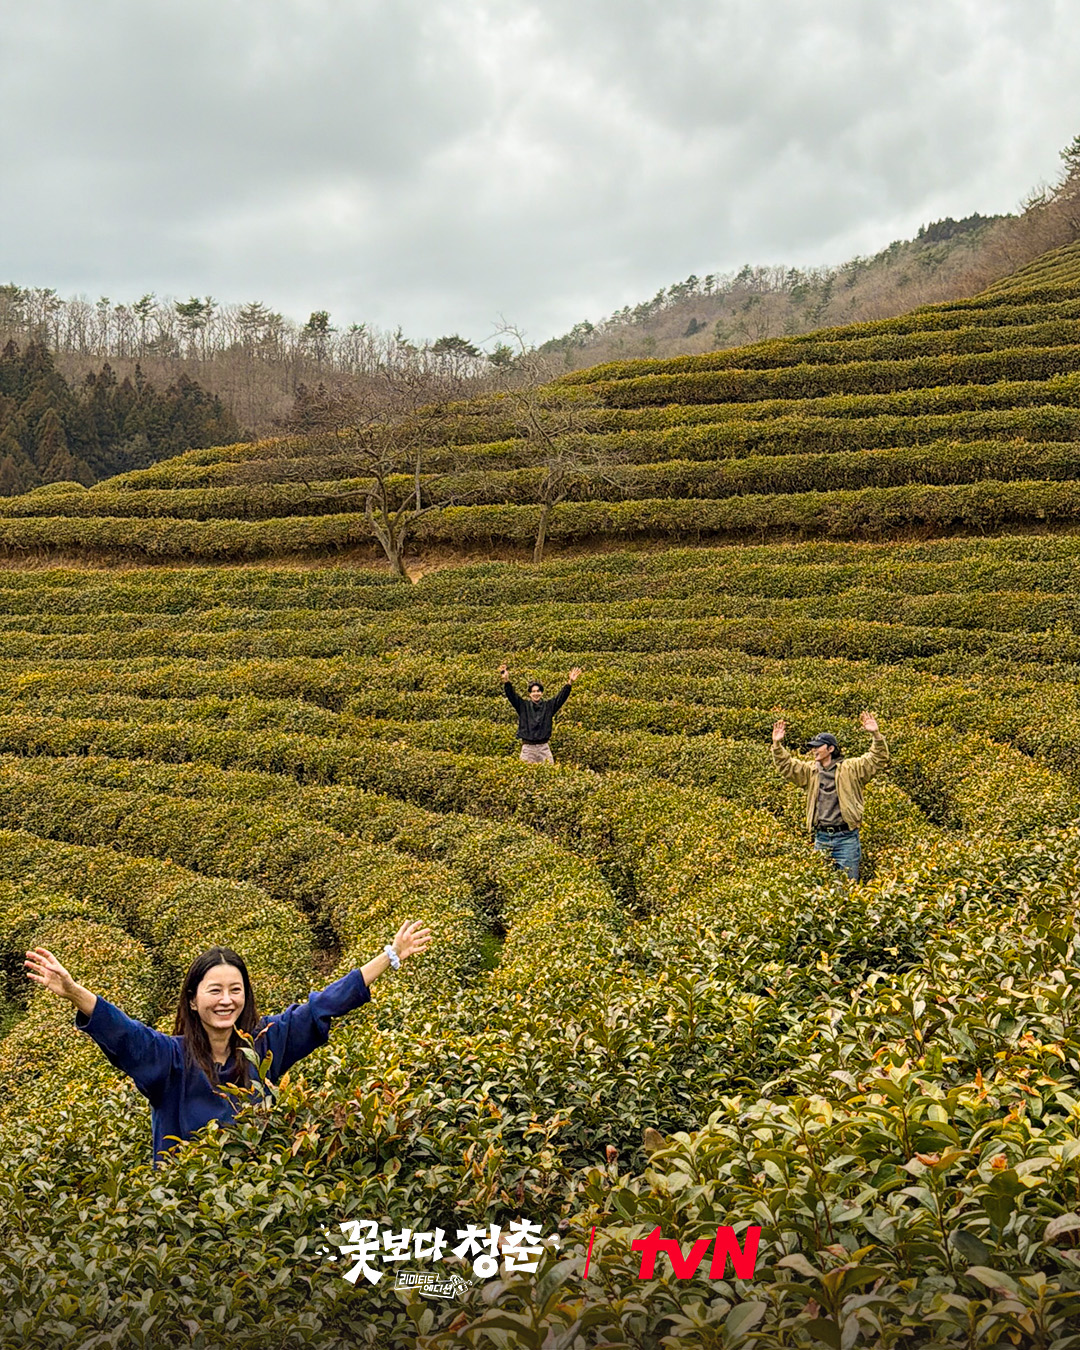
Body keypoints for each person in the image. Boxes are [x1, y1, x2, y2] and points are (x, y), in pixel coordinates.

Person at [24, 920, 432, 1164]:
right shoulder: (170, 1059)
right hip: (184, 1211)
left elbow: (320, 1007)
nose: (226, 1001)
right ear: (193, 999)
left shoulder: (265, 1043)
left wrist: (390, 956)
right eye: (214, 990)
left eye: (235, 990)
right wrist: (75, 992)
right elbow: (126, 1033)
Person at [771, 711, 888, 881]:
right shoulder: (810, 771)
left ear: (831, 749)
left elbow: (877, 758)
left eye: (818, 746)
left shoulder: (851, 768)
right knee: (819, 887)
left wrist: (875, 734)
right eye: (813, 747)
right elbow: (787, 766)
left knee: (847, 887)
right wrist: (777, 745)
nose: (814, 750)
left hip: (846, 839)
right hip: (821, 838)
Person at [499, 662, 582, 764]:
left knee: (550, 770)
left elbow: (561, 698)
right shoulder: (523, 706)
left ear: (541, 693)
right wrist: (506, 680)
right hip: (528, 749)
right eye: (533, 691)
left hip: (544, 748)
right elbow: (511, 695)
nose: (536, 693)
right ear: (530, 694)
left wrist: (570, 682)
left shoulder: (548, 706)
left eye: (538, 691)